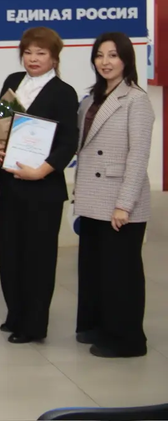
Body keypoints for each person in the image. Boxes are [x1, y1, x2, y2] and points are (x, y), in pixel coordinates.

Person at [0, 27, 78, 345]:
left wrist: (42, 171)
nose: (33, 59)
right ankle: (15, 313)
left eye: (41, 53)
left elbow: (68, 143)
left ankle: (34, 324)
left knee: (37, 258)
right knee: (10, 252)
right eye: (28, 52)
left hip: (42, 188)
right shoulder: (13, 81)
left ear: (54, 57)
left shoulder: (63, 92)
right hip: (10, 183)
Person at [74, 32, 153, 358]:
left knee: (121, 274)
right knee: (96, 270)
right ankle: (98, 327)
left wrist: (124, 204)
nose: (105, 62)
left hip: (119, 201)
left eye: (113, 55)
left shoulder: (136, 99)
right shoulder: (90, 99)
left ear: (126, 60)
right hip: (93, 198)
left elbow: (138, 156)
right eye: (99, 55)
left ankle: (127, 340)